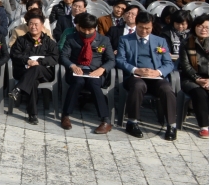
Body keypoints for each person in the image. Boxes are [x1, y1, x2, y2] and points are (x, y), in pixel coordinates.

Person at [117, 11, 178, 140]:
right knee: (138, 86)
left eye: (148, 28)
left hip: (155, 76)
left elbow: (168, 63)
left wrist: (158, 72)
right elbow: (120, 60)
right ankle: (132, 122)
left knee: (166, 89)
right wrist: (135, 70)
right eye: (141, 28)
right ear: (136, 25)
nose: (144, 31)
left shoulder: (160, 41)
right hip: (135, 76)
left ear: (152, 26)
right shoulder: (125, 40)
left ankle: (171, 125)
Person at [60, 12, 115, 133]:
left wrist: (102, 69)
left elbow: (111, 60)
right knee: (78, 82)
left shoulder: (104, 40)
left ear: (94, 28)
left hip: (95, 70)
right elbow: (64, 56)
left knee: (93, 83)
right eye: (83, 29)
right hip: (76, 69)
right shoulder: (71, 38)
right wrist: (72, 66)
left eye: (89, 29)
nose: (86, 33)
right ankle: (65, 115)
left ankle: (106, 120)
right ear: (79, 27)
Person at [9, 12, 59, 124]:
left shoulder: (48, 42)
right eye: (31, 24)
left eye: (36, 24)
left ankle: (18, 89)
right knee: (33, 81)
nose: (33, 27)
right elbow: (14, 54)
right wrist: (27, 60)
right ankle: (33, 114)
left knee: (36, 68)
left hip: (44, 72)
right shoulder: (22, 40)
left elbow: (55, 58)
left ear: (42, 26)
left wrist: (40, 62)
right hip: (24, 71)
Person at [180, 14, 209, 138]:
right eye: (200, 26)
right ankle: (204, 127)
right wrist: (197, 79)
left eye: (207, 27)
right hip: (191, 78)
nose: (203, 30)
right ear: (194, 27)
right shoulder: (186, 43)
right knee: (199, 93)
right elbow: (186, 66)